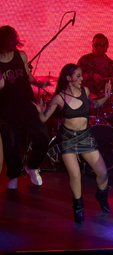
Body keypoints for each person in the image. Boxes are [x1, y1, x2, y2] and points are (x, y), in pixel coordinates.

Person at [33, 63, 112, 223]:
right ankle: (78, 206)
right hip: (68, 139)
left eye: (81, 75)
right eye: (78, 76)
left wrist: (106, 97)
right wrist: (40, 112)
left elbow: (93, 104)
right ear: (68, 78)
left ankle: (101, 196)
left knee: (103, 173)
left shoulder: (85, 91)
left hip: (85, 137)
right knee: (75, 175)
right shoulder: (59, 98)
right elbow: (43, 119)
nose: (82, 78)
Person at [0, 25, 50, 190]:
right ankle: (13, 176)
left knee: (42, 138)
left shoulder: (21, 56)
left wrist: (39, 83)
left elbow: (28, 76)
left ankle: (32, 166)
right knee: (11, 147)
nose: (15, 41)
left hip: (27, 105)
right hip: (7, 109)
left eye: (15, 38)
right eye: (11, 38)